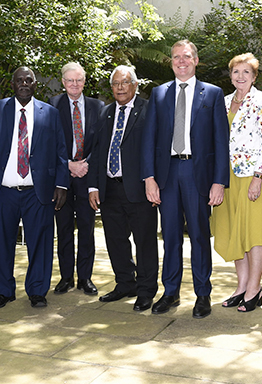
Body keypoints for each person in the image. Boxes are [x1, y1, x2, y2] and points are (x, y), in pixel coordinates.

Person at [141, 40, 230, 319]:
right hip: (166, 174)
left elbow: (221, 141)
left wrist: (219, 181)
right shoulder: (158, 94)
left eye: (186, 57)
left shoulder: (213, 94)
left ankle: (203, 294)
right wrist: (149, 178)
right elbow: (149, 139)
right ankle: (170, 291)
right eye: (176, 57)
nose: (181, 61)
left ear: (196, 60)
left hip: (197, 174)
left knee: (200, 236)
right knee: (169, 237)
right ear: (171, 62)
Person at [0, 67, 68, 309]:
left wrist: (61, 184)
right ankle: (2, 291)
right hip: (1, 191)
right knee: (0, 243)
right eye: (19, 80)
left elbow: (60, 153)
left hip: (38, 191)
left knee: (41, 243)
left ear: (35, 85)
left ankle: (37, 290)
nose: (24, 84)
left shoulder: (51, 113)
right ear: (12, 84)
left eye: (29, 80)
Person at [88, 65, 158, 311]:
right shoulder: (105, 112)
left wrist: (154, 182)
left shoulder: (149, 110)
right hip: (110, 188)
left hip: (139, 189)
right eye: (115, 83)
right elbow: (97, 152)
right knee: (115, 241)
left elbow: (156, 150)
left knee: (145, 241)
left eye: (124, 83)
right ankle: (125, 283)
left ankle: (146, 290)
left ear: (135, 85)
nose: (119, 88)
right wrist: (93, 186)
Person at [212, 53, 262, 313]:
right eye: (236, 72)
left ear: (254, 76)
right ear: (230, 75)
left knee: (253, 233)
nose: (240, 77)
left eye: (246, 73)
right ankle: (241, 287)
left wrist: (257, 178)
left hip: (253, 176)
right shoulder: (224, 102)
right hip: (227, 177)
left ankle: (254, 288)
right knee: (234, 231)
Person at [48, 62, 104, 296]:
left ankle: (85, 278)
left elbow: (101, 141)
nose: (74, 84)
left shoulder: (97, 106)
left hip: (87, 177)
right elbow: (47, 142)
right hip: (61, 178)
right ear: (63, 82)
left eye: (78, 80)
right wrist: (67, 165)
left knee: (87, 229)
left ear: (84, 81)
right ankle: (66, 277)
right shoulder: (52, 106)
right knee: (63, 229)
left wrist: (86, 164)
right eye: (70, 80)